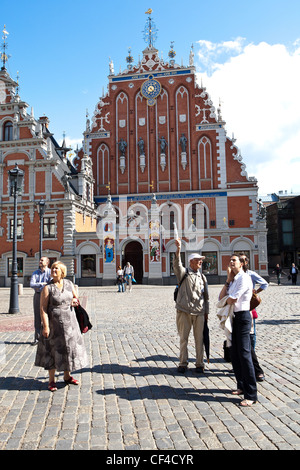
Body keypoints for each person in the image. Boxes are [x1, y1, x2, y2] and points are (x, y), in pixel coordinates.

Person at [35, 261, 88, 391]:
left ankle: (67, 376)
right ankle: (51, 381)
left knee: (68, 349)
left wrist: (75, 301)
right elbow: (43, 309)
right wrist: (46, 327)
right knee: (53, 350)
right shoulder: (48, 288)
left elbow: (75, 298)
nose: (53, 270)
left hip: (70, 324)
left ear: (62, 272)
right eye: (52, 268)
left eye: (56, 269)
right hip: (54, 324)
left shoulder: (69, 284)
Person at [219, 254, 257, 407]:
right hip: (234, 317)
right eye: (230, 260)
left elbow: (232, 299)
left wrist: (225, 300)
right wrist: (228, 280)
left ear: (241, 264)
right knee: (235, 354)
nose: (231, 262)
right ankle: (241, 385)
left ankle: (251, 394)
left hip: (243, 317)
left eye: (234, 260)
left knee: (245, 354)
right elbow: (221, 297)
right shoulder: (234, 280)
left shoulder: (244, 278)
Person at [173, 239, 209, 374]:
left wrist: (207, 312)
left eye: (201, 260)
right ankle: (183, 363)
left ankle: (200, 364)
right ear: (191, 262)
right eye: (198, 260)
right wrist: (178, 250)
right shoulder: (184, 273)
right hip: (184, 311)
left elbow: (206, 297)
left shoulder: (203, 277)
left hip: (199, 312)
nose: (201, 262)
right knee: (184, 338)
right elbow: (177, 265)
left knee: (199, 339)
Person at [239, 253, 268, 381]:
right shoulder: (234, 275)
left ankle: (254, 365)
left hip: (248, 308)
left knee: (250, 337)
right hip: (236, 310)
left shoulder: (250, 274)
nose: (241, 262)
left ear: (246, 263)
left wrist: (256, 292)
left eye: (243, 260)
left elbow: (264, 284)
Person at [30, 257, 51, 345]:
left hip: (48, 296)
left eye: (42, 260)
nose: (40, 262)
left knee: (49, 315)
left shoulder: (50, 272)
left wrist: (39, 285)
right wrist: (42, 284)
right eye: (40, 260)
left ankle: (49, 337)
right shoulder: (35, 273)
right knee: (37, 316)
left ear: (47, 262)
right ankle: (37, 338)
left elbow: (51, 283)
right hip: (38, 296)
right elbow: (32, 284)